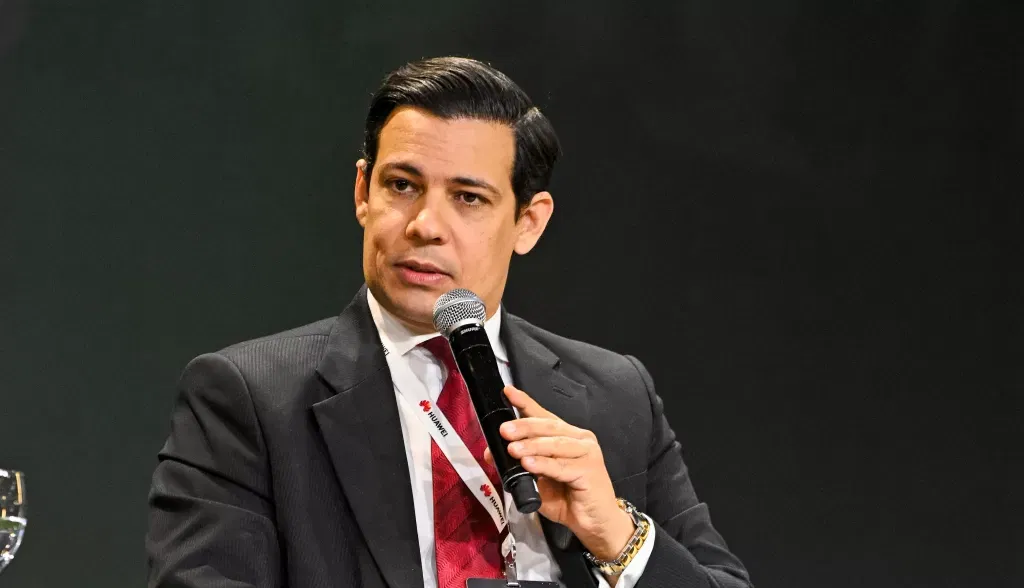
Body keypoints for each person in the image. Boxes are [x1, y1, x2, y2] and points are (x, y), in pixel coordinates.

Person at [146, 56, 752, 588]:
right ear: (362, 192)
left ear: (529, 223)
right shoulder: (251, 399)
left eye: (468, 198)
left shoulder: (616, 395)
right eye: (402, 185)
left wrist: (617, 536)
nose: (425, 225)